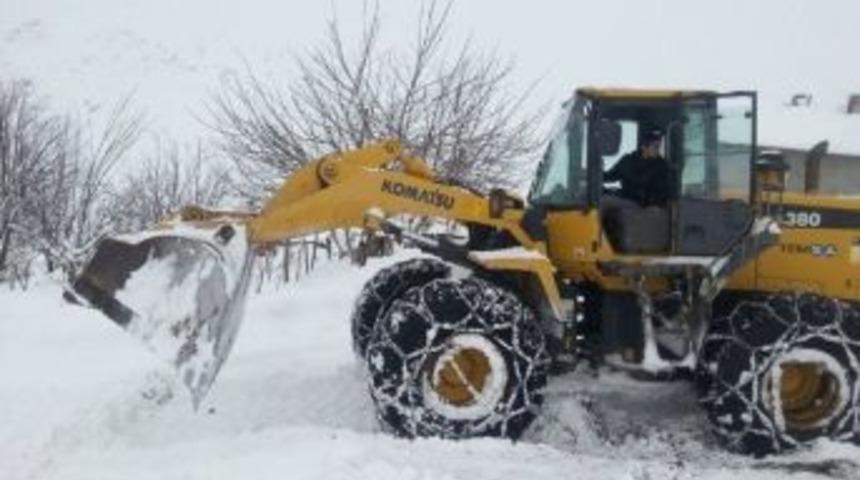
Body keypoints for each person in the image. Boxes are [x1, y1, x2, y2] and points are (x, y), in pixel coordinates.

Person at [603, 129, 672, 207]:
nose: (658, 150)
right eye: (655, 147)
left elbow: (663, 192)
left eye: (658, 147)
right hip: (626, 200)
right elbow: (612, 175)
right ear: (644, 147)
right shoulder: (627, 161)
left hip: (647, 206)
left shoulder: (661, 166)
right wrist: (595, 176)